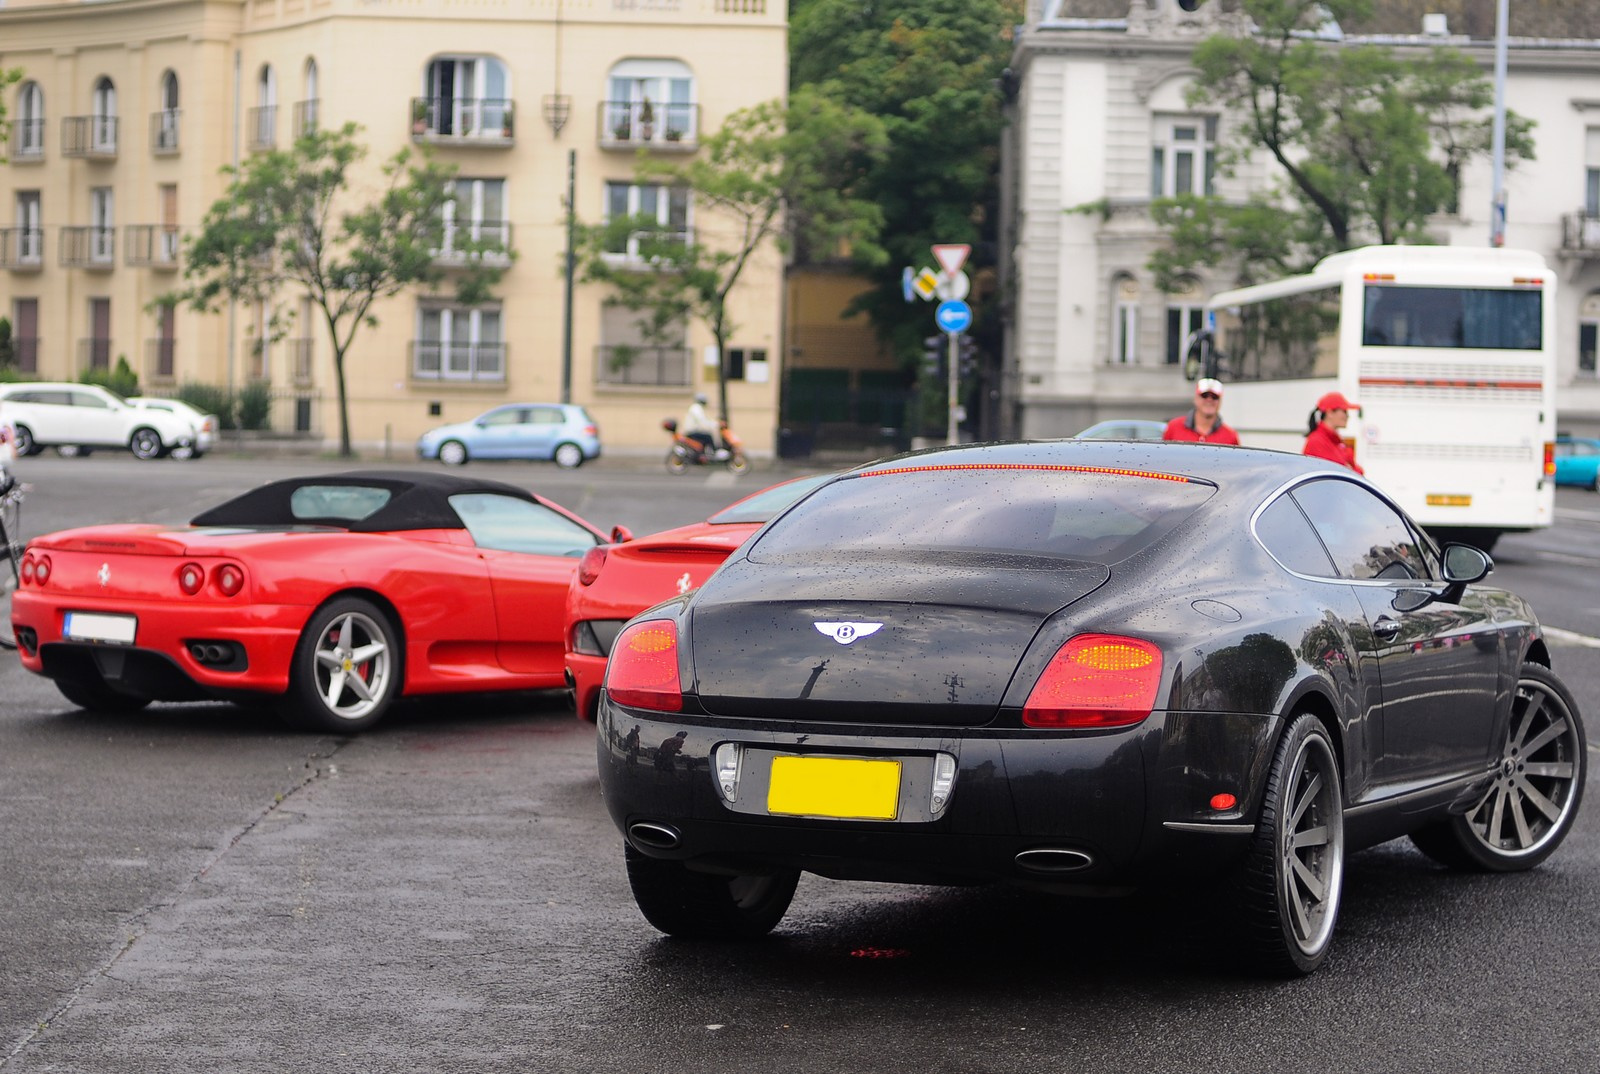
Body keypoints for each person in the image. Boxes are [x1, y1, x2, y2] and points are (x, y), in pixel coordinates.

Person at [1163, 378, 1240, 444]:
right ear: (1195, 399)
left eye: (1214, 397)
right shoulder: (1174, 428)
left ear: (1220, 401)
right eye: (1204, 395)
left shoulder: (1230, 436)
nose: (1209, 400)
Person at [1303, 390, 1364, 473]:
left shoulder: (1334, 441)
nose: (1347, 416)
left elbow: (1357, 472)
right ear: (1330, 412)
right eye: (1344, 411)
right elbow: (1342, 472)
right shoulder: (1317, 441)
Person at [680, 392, 719, 456]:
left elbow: (705, 420)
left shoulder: (696, 408)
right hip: (692, 432)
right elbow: (702, 421)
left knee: (706, 436)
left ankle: (703, 453)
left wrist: (715, 424)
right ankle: (714, 453)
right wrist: (716, 425)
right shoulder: (696, 408)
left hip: (694, 431)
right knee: (708, 437)